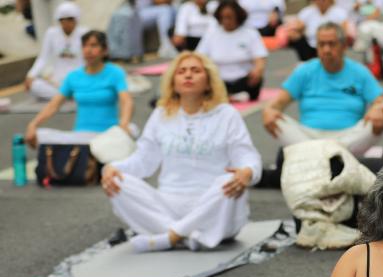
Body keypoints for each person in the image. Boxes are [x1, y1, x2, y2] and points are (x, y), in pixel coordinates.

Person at [100, 52, 262, 253]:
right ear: (173, 82)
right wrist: (112, 167)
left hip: (215, 210)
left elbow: (247, 156)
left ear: (209, 82)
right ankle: (186, 237)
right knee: (117, 180)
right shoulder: (161, 115)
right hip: (168, 208)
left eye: (196, 71)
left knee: (227, 181)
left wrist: (247, 172)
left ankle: (170, 237)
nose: (188, 75)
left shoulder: (227, 114)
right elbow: (143, 161)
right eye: (181, 71)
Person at [262, 22, 383, 155]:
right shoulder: (305, 71)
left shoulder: (359, 72)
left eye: (331, 44)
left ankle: (316, 155)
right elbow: (277, 104)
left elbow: (382, 103)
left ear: (344, 46)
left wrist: (378, 109)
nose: (326, 50)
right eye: (321, 44)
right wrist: (269, 110)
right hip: (307, 136)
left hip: (349, 136)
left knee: (376, 122)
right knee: (275, 120)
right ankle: (335, 155)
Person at [25, 31, 134, 148]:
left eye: (94, 45)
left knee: (133, 130)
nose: (88, 50)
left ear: (104, 50)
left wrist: (124, 123)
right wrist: (33, 124)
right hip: (81, 137)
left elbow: (126, 100)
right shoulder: (73, 77)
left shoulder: (115, 72)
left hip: (109, 135)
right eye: (85, 46)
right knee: (37, 136)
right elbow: (53, 105)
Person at [196, 1, 268, 101]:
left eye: (229, 17)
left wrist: (258, 70)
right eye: (223, 17)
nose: (226, 21)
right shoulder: (211, 34)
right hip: (219, 80)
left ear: (237, 17)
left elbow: (260, 58)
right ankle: (230, 96)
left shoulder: (250, 33)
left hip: (243, 79)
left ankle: (230, 96)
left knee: (256, 80)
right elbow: (199, 57)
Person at [24, 2, 89, 101]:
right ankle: (67, 95)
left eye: (70, 19)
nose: (66, 23)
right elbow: (43, 57)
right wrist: (31, 75)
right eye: (62, 19)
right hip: (58, 80)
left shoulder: (85, 33)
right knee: (35, 85)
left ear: (76, 19)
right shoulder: (51, 33)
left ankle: (63, 96)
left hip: (79, 78)